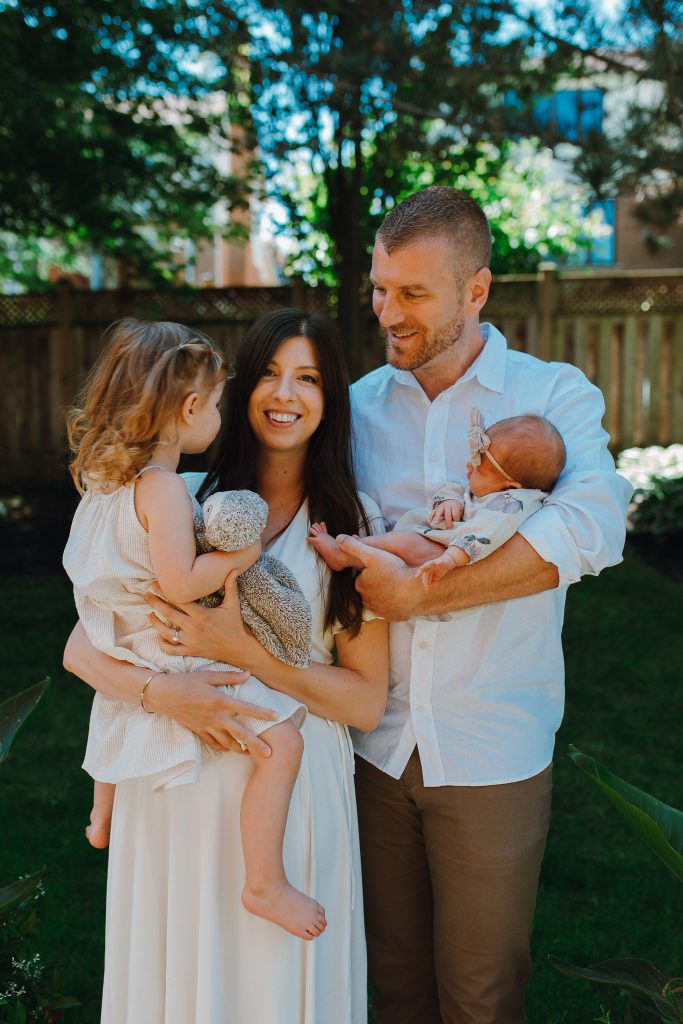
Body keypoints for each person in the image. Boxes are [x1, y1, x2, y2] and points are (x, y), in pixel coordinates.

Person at [334, 186, 632, 1024]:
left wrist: (420, 597)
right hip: (368, 745)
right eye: (379, 290)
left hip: (490, 747)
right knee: (389, 985)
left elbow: (590, 528)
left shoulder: (552, 394)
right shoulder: (352, 408)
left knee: (481, 995)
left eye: (412, 294)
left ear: (476, 290)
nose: (387, 313)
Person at [63, 308, 388, 1024]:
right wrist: (160, 692)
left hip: (291, 793)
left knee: (274, 992)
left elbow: (364, 703)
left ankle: (267, 883)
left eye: (306, 378)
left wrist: (243, 653)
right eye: (269, 373)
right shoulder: (179, 495)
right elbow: (83, 644)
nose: (284, 393)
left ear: (330, 398)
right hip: (174, 778)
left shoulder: (350, 526)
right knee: (180, 986)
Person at [308, 408, 566, 589]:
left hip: (448, 556)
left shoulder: (512, 506)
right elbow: (458, 490)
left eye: (478, 467)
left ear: (510, 486)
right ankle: (366, 548)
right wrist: (449, 501)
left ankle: (346, 553)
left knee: (406, 543)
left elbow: (485, 533)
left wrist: (450, 559)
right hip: (442, 548)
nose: (468, 466)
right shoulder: (491, 492)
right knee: (400, 545)